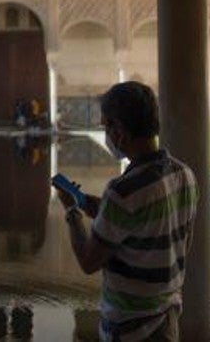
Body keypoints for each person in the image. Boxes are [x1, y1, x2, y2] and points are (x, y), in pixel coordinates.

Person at [53, 81, 198, 341]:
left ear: (119, 130)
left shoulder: (123, 192)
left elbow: (89, 261)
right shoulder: (183, 174)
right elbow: (144, 223)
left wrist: (71, 213)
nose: (107, 134)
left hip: (130, 328)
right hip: (166, 317)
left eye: (105, 125)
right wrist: (87, 202)